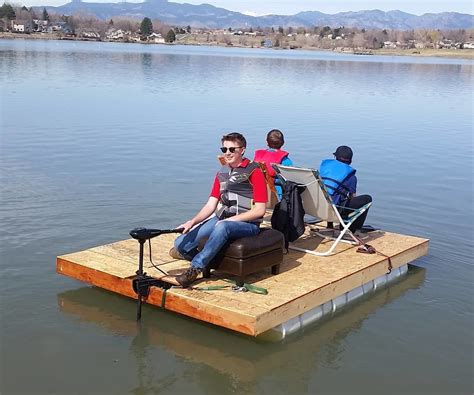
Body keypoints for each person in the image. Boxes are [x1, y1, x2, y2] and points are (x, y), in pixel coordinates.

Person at [172, 132, 268, 288]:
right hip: (221, 218)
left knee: (223, 226)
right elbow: (211, 205)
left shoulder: (254, 171)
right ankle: (211, 259)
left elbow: (260, 210)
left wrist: (230, 220)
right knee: (180, 245)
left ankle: (195, 268)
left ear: (242, 150)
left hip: (247, 223)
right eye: (224, 150)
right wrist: (193, 221)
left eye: (232, 149)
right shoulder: (221, 173)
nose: (228, 153)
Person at [319, 145, 372, 232]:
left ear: (335, 157)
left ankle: (330, 226)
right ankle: (352, 229)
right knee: (367, 199)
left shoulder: (324, 170)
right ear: (350, 161)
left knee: (330, 193)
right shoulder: (351, 177)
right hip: (335, 211)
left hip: (319, 207)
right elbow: (352, 197)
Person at [253, 129, 293, 199]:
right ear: (283, 143)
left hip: (258, 192)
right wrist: (274, 180)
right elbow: (289, 180)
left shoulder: (259, 156)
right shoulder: (285, 160)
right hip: (276, 194)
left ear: (267, 142)